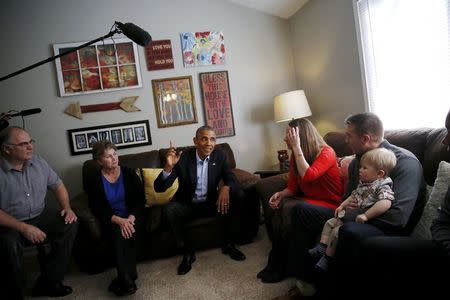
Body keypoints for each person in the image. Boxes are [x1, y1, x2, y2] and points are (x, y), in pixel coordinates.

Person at [287, 112, 423, 297]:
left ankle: (327, 289)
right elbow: (349, 197)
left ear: (365, 138)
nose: (346, 140)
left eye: (349, 135)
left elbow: (397, 219)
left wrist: (351, 215)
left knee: (347, 230)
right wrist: (344, 210)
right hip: (356, 215)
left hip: (385, 227)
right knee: (301, 210)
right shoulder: (356, 163)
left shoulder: (405, 163)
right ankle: (307, 279)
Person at [257, 118, 344, 283]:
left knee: (297, 210)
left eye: (289, 135)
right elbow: (292, 186)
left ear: (300, 136)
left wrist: (296, 148)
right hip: (310, 201)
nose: (285, 139)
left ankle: (292, 269)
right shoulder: (295, 157)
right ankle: (277, 263)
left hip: (331, 206)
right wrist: (281, 194)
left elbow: (308, 175)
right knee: (283, 212)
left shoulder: (327, 152)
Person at [154, 125, 246, 275]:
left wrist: (226, 187)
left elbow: (231, 178)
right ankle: (187, 252)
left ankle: (229, 244)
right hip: (187, 204)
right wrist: (168, 167)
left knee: (238, 194)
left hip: (210, 203)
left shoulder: (220, 156)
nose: (209, 143)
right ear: (195, 141)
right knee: (169, 210)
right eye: (204, 139)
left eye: (212, 139)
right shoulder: (182, 158)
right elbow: (159, 187)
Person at [0, 126, 78, 299]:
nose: (30, 147)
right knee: (9, 245)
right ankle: (16, 292)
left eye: (31, 142)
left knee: (70, 223)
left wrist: (67, 207)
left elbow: (58, 185)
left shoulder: (39, 162)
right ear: (7, 149)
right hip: (9, 222)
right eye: (24, 144)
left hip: (39, 215)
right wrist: (24, 228)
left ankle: (50, 282)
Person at [309, 147, 396, 272]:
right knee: (329, 223)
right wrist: (342, 206)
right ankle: (321, 247)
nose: (360, 170)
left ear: (380, 174)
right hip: (350, 214)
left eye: (364, 168)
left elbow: (385, 203)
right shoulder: (364, 183)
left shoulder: (382, 185)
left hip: (360, 219)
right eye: (361, 167)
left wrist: (366, 215)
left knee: (336, 232)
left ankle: (327, 258)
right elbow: (353, 195)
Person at [83, 140, 145, 296]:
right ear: (99, 161)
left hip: (133, 216)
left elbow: (140, 200)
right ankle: (128, 278)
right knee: (118, 232)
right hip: (112, 219)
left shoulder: (129, 173)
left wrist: (129, 219)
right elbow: (98, 209)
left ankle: (125, 279)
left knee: (127, 230)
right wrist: (120, 221)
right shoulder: (95, 180)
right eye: (109, 156)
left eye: (115, 154)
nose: (114, 158)